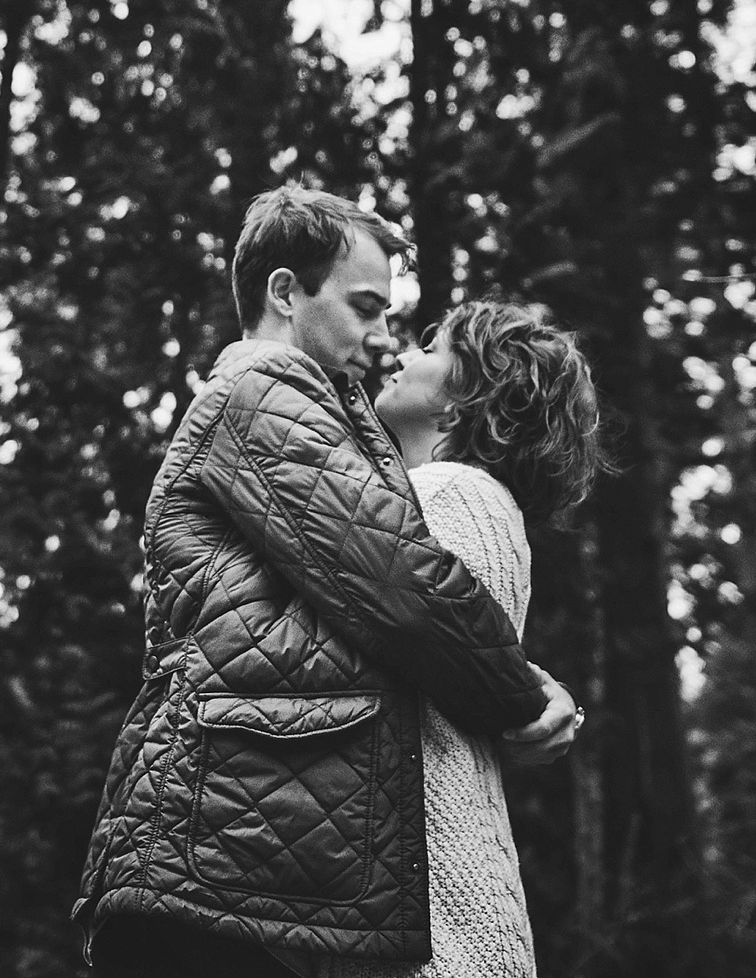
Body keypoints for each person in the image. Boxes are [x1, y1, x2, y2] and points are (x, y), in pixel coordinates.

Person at [75, 188, 581, 977]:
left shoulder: (321, 425)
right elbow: (398, 585)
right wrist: (524, 695)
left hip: (227, 852)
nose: (384, 339)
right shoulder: (264, 390)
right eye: (367, 307)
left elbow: (361, 597)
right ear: (285, 292)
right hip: (210, 850)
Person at [329, 300, 606, 978]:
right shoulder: (468, 499)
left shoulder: (450, 490)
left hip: (435, 904)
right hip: (450, 886)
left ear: (475, 392)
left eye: (432, 344)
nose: (400, 351)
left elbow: (396, 625)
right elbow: (453, 636)